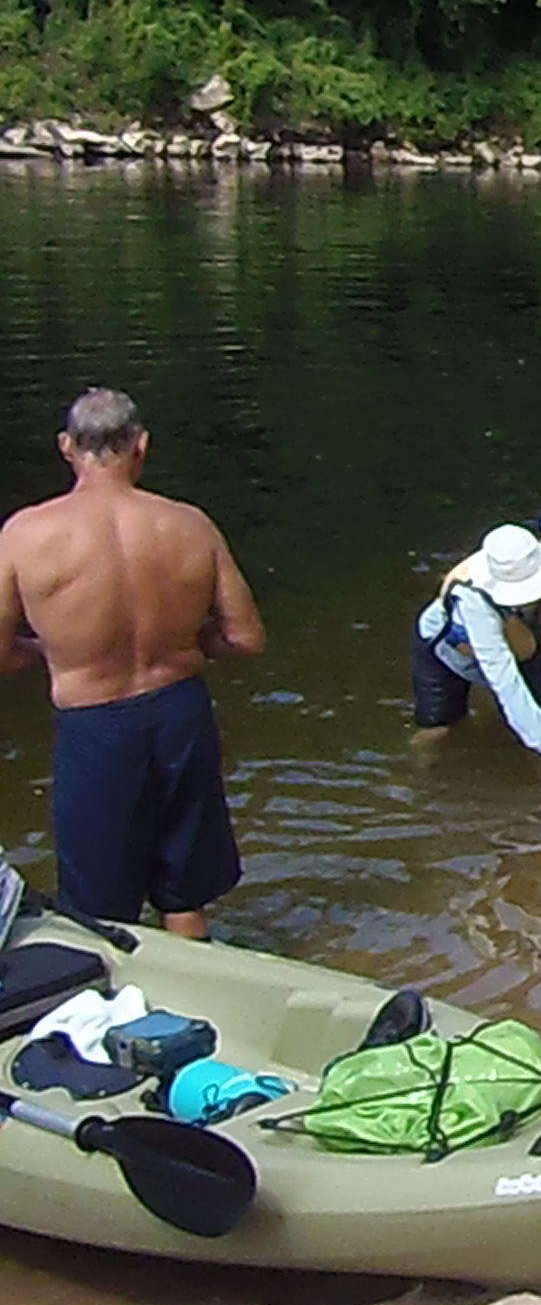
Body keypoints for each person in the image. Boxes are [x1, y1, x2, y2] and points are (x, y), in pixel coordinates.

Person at [0, 389, 265, 938]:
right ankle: (203, 997)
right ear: (141, 446)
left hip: (94, 724)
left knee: (98, 908)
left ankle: (120, 1013)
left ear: (67, 447)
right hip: (179, 712)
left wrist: (49, 651)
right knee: (184, 892)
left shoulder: (26, 535)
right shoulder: (190, 525)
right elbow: (245, 638)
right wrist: (184, 643)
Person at [411, 523, 541, 780]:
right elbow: (505, 681)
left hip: (521, 642)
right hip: (447, 651)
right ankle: (419, 773)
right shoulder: (470, 594)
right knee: (441, 727)